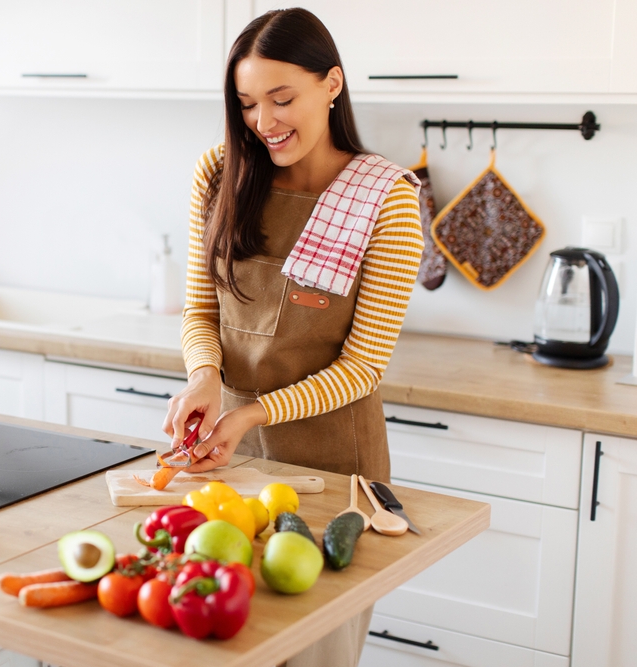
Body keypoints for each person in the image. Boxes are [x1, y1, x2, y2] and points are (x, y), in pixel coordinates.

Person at [162, 8, 423, 666]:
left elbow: (361, 368)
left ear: (331, 84)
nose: (263, 122)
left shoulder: (385, 199)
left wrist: (250, 410)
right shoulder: (220, 174)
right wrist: (205, 377)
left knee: (316, 652)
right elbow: (200, 310)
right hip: (227, 457)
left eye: (282, 99)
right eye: (248, 103)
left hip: (335, 464)